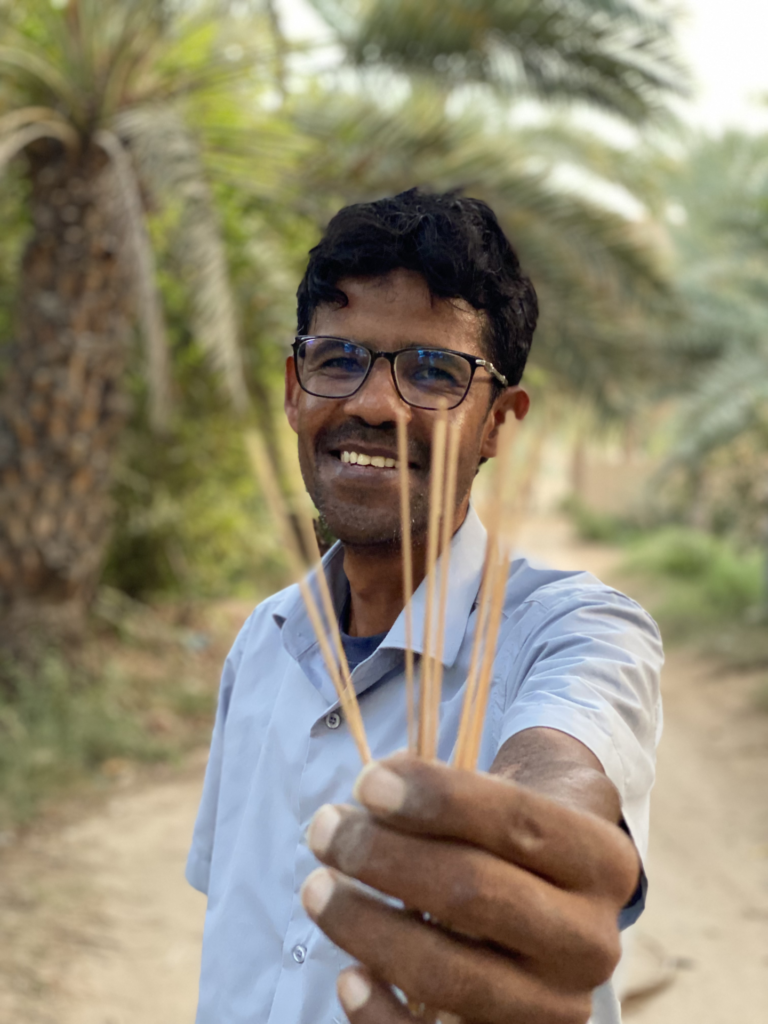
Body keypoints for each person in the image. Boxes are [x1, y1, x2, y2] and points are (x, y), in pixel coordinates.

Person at [186, 189, 662, 1024]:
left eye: (434, 373)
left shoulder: (574, 630)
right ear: (295, 390)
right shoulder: (259, 643)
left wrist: (525, 856)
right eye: (339, 359)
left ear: (497, 427)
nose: (374, 404)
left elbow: (564, 768)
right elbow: (238, 924)